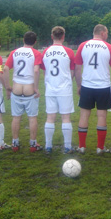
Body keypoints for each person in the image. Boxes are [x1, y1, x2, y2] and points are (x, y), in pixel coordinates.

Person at [75, 24, 111, 155]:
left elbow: (77, 68)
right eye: (107, 33)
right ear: (103, 33)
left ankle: (81, 146)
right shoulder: (109, 47)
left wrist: (79, 85)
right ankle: (100, 147)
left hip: (87, 86)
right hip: (103, 86)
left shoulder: (83, 45)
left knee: (84, 115)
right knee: (101, 115)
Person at [3, 31, 42, 153]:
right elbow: (36, 71)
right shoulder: (36, 53)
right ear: (35, 42)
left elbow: (5, 68)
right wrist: (36, 87)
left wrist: (7, 86)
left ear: (23, 40)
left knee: (16, 117)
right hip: (29, 88)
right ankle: (33, 144)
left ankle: (15, 143)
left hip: (16, 88)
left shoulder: (14, 52)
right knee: (32, 118)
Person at [41, 26, 75, 154]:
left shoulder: (45, 52)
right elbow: (72, 71)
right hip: (64, 89)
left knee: (50, 117)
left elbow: (44, 71)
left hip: (50, 88)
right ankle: (67, 147)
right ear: (63, 36)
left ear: (52, 36)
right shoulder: (69, 52)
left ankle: (48, 146)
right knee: (65, 118)